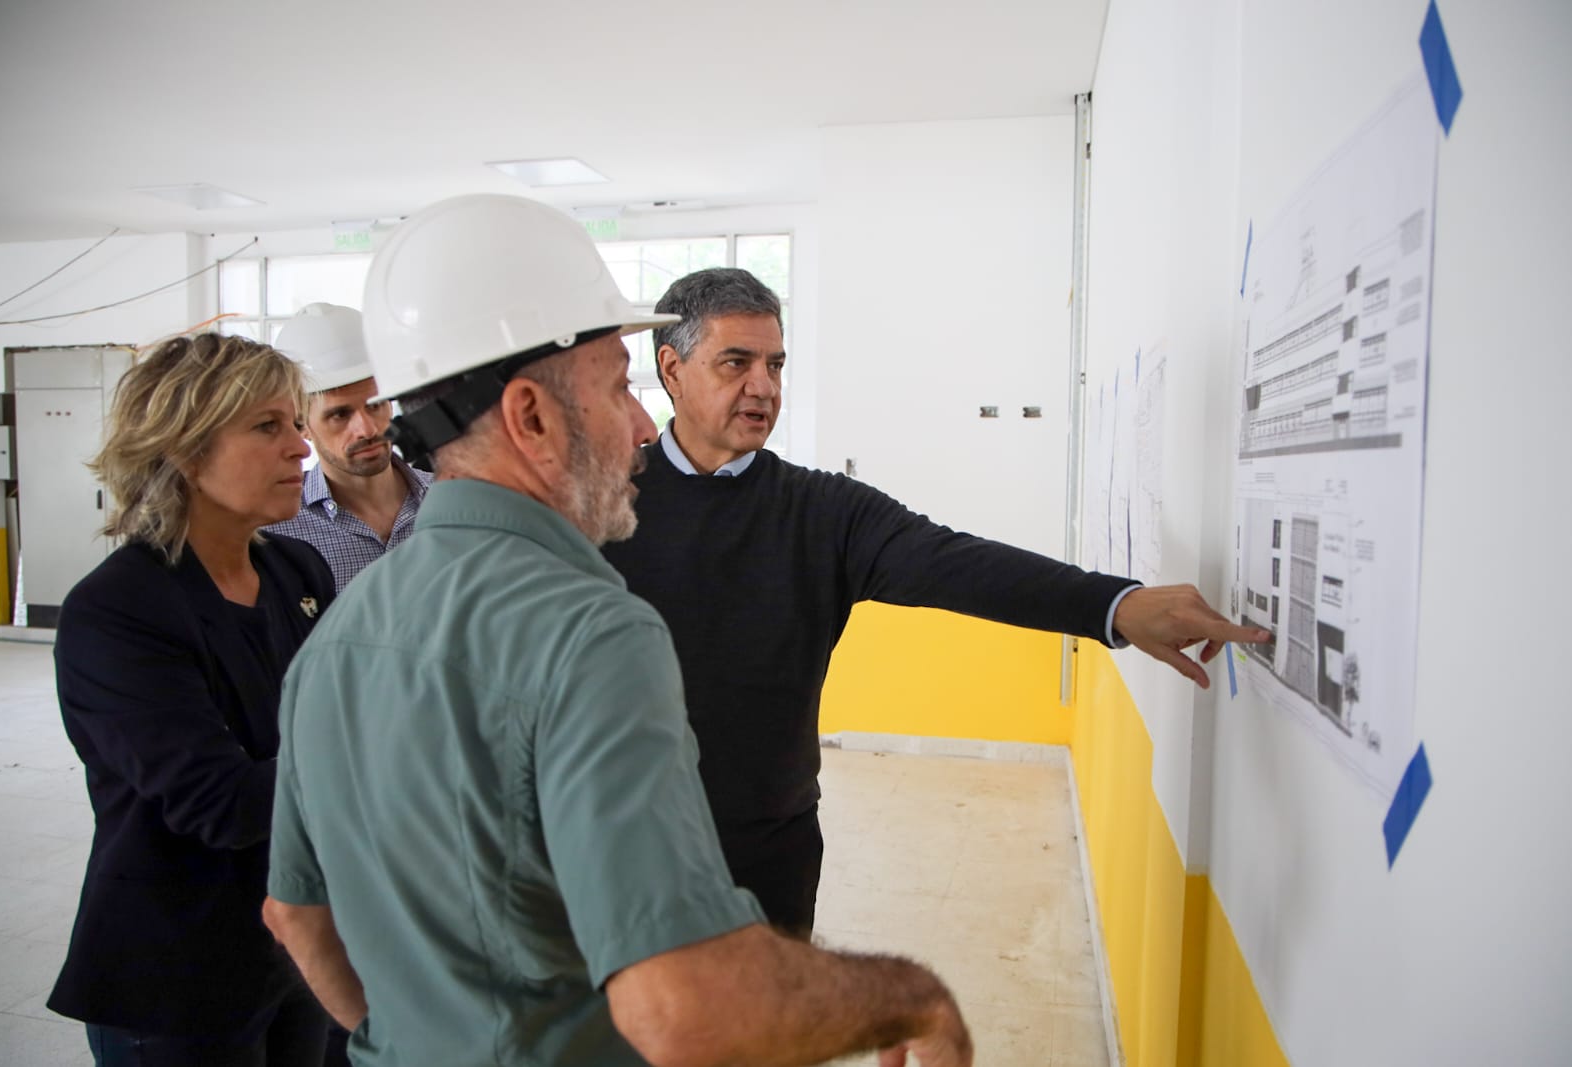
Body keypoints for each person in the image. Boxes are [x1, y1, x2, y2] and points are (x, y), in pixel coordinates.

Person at [260, 194, 973, 1067]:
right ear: (530, 417)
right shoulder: (592, 633)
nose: (640, 426)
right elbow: (684, 1010)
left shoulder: (337, 636)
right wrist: (912, 998)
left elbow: (296, 913)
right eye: (617, 386)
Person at [600, 267, 1273, 936]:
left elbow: (959, 565)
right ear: (672, 367)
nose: (764, 387)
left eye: (776, 364)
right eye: (736, 363)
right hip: (626, 842)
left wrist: (1115, 606)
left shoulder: (821, 511)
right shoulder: (604, 504)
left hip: (769, 847)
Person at [48, 332, 336, 1065]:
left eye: (297, 423)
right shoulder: (117, 609)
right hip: (174, 971)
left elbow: (328, 721)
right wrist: (387, 746)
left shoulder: (295, 571)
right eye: (268, 426)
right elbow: (222, 801)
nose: (301, 448)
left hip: (293, 944)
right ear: (181, 446)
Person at [264, 302, 433, 592]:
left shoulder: (452, 502)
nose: (366, 429)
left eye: (375, 405)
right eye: (339, 415)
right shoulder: (277, 529)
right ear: (301, 424)